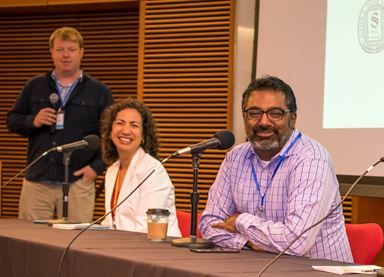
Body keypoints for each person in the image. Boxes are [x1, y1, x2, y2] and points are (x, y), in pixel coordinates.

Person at [199, 76, 352, 262]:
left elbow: (296, 242)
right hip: (255, 272)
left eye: (275, 113)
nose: (264, 122)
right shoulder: (235, 157)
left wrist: (240, 221)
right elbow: (209, 224)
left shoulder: (311, 159)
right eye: (254, 113)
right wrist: (247, 243)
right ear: (244, 117)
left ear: (292, 118)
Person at [6, 26, 113, 222]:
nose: (66, 55)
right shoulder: (34, 85)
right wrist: (33, 120)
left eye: (71, 50)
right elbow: (12, 120)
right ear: (51, 52)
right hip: (38, 180)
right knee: (30, 240)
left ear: (81, 52)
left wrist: (96, 167)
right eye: (60, 49)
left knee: (75, 245)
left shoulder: (99, 91)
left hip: (78, 181)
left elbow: (111, 134)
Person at [100, 98, 180, 237]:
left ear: (143, 135)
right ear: (111, 131)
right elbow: (110, 222)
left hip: (155, 250)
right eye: (120, 123)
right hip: (120, 247)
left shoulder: (153, 171)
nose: (126, 130)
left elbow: (147, 228)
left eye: (134, 125)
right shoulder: (112, 170)